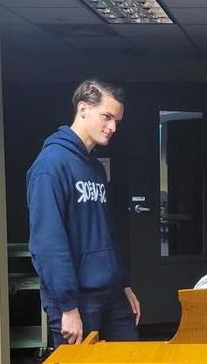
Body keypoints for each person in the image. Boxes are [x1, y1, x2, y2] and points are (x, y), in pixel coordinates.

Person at [27, 79, 140, 347]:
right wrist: (68, 307)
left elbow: (106, 231)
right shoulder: (51, 166)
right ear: (83, 109)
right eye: (107, 117)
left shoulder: (95, 167)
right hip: (76, 300)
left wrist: (124, 283)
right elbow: (47, 243)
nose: (112, 127)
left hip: (111, 292)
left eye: (117, 121)